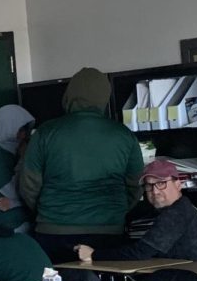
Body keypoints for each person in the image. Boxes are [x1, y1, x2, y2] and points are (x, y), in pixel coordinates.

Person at [20, 67, 144, 262]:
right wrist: (116, 210)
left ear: (69, 94)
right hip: (108, 228)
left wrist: (48, 209)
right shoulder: (124, 135)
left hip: (54, 227)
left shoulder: (46, 133)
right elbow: (136, 184)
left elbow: (29, 183)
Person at [74, 159, 197, 263]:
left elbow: (141, 252)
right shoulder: (183, 207)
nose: (155, 191)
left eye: (161, 183)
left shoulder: (176, 213)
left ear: (178, 184)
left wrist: (94, 254)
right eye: (149, 186)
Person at [0, 104, 35, 232]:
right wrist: (24, 158)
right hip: (7, 226)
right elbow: (15, 190)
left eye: (25, 131)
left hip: (21, 221)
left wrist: (14, 203)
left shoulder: (13, 151)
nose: (23, 135)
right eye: (20, 130)